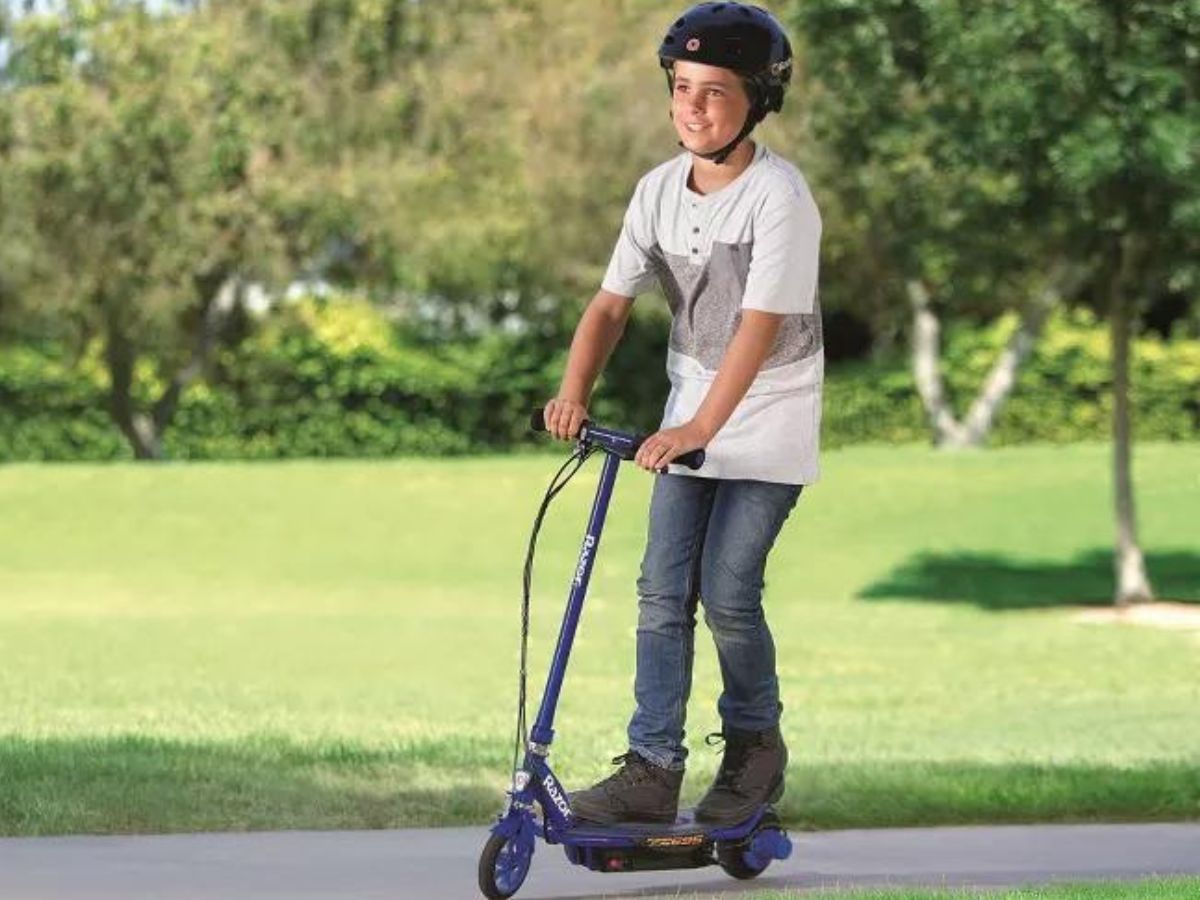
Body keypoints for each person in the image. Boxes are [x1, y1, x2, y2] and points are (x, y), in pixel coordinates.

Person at [542, 1, 822, 826]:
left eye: (715, 92)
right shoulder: (658, 192)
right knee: (662, 594)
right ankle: (652, 767)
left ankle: (753, 748)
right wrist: (573, 393)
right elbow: (608, 307)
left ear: (758, 102)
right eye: (682, 88)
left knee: (728, 593)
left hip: (765, 423)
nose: (693, 107)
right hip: (687, 422)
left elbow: (757, 330)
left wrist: (703, 428)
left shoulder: (780, 200)